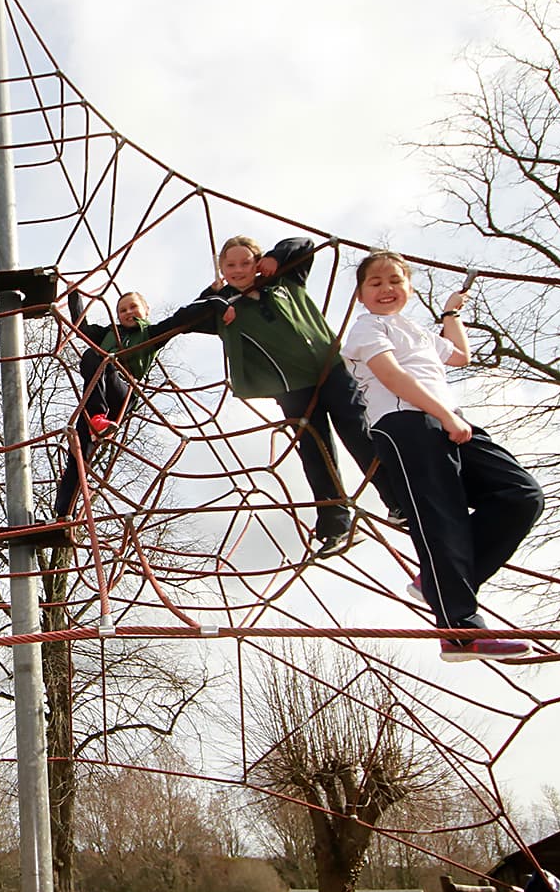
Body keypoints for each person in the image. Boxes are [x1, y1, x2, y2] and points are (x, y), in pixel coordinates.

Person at [340, 250, 541, 661]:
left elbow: (459, 355)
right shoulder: (366, 328)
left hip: (448, 422)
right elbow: (392, 375)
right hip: (406, 424)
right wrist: (444, 413)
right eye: (374, 283)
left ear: (409, 288)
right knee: (440, 519)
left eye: (395, 281)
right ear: (361, 294)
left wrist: (451, 313)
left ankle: (436, 584)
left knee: (521, 495)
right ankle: (460, 631)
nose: (386, 289)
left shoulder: (414, 329)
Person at [182, 236, 402, 556]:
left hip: (330, 370)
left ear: (258, 263)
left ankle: (398, 502)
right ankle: (334, 524)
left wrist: (276, 256)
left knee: (359, 433)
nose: (239, 269)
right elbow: (187, 320)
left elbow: (304, 244)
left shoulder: (286, 279)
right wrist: (213, 297)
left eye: (246, 262)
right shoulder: (224, 307)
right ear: (221, 269)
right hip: (291, 387)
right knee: (314, 450)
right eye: (230, 265)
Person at [52, 288, 204, 519]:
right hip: (97, 394)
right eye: (122, 310)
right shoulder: (108, 333)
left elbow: (178, 321)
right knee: (78, 453)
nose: (128, 312)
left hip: (122, 392)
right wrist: (74, 296)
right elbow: (81, 327)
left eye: (133, 307)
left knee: (106, 361)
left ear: (145, 310)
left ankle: (98, 418)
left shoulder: (151, 333)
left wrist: (209, 297)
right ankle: (64, 513)